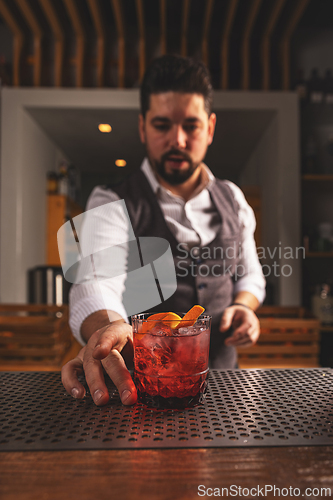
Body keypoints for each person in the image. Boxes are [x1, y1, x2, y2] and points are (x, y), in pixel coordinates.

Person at [61, 55, 265, 406]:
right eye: (162, 125)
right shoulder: (111, 200)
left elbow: (250, 276)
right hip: (144, 396)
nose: (178, 140)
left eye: (191, 125)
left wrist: (245, 307)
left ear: (210, 127)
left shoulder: (233, 197)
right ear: (142, 127)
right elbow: (93, 285)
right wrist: (105, 330)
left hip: (224, 390)